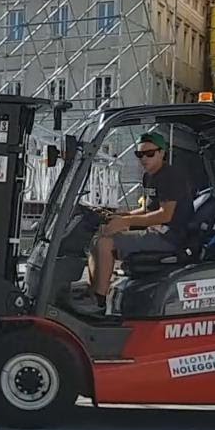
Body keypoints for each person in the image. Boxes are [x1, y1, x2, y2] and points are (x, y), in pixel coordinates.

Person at [86, 131, 193, 309]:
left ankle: (100, 302)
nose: (144, 158)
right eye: (140, 154)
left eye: (149, 153)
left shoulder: (171, 176)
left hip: (169, 236)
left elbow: (165, 215)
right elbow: (145, 210)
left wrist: (126, 223)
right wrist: (120, 216)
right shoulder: (148, 176)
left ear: (162, 153)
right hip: (154, 230)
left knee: (106, 243)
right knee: (97, 237)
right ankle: (92, 292)